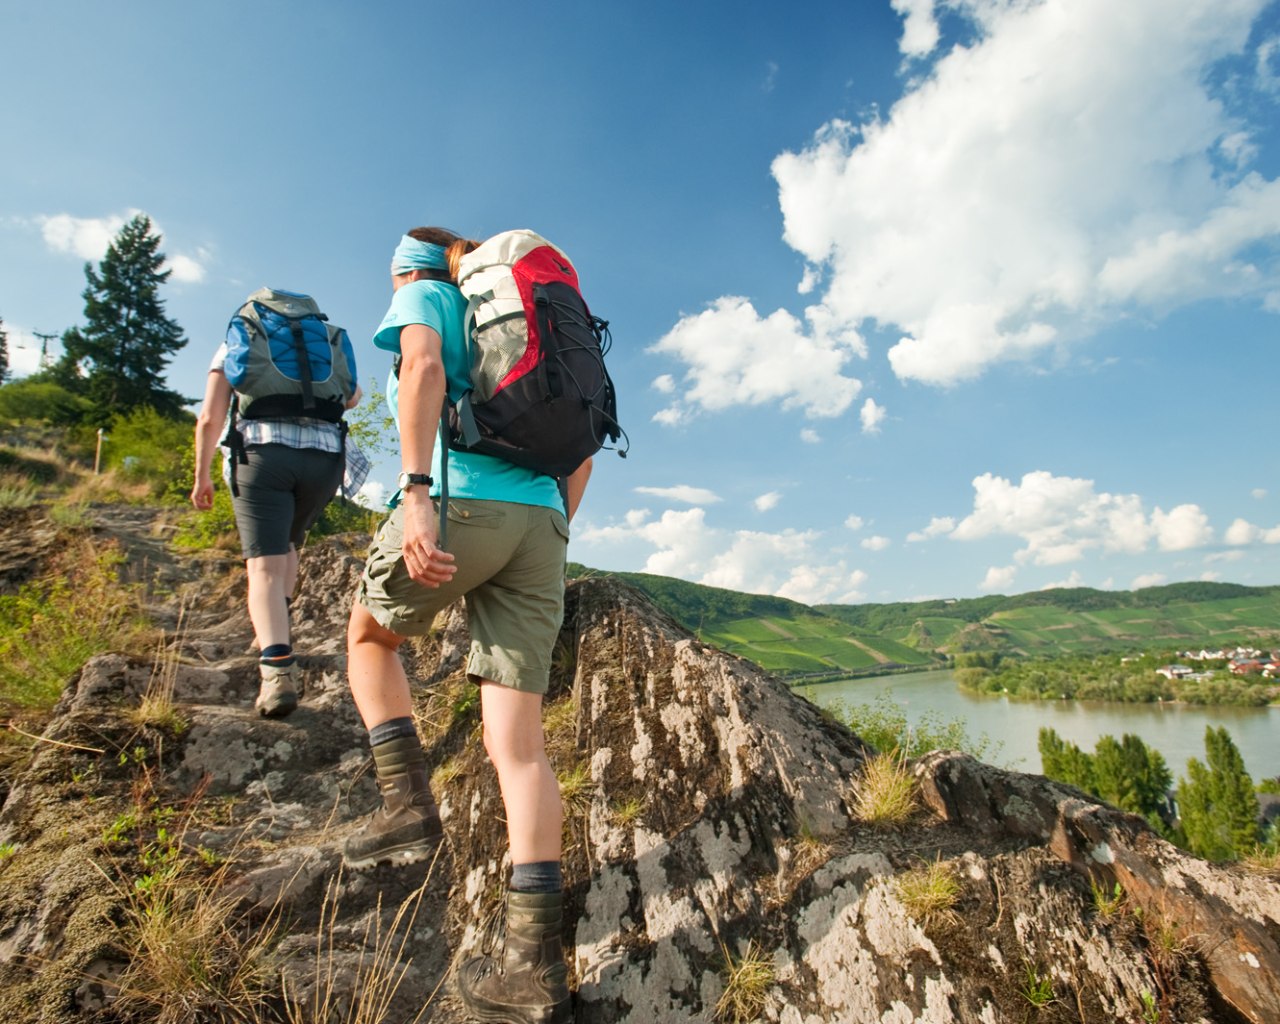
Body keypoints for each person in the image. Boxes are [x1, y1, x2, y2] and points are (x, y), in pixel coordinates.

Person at [344, 228, 590, 1024]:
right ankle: (532, 971)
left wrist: (417, 494)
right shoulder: (538, 321)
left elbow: (419, 370)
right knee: (519, 748)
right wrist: (549, 527)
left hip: (460, 503)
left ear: (407, 268)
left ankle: (406, 808)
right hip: (542, 522)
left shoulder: (427, 293)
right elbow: (580, 444)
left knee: (369, 639)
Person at [191, 291, 363, 718]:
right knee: (288, 542)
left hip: (264, 454)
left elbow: (211, 417)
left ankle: (277, 672)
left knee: (263, 565)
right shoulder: (324, 338)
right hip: (325, 459)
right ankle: (275, 622)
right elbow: (353, 396)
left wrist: (202, 474)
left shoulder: (240, 339)